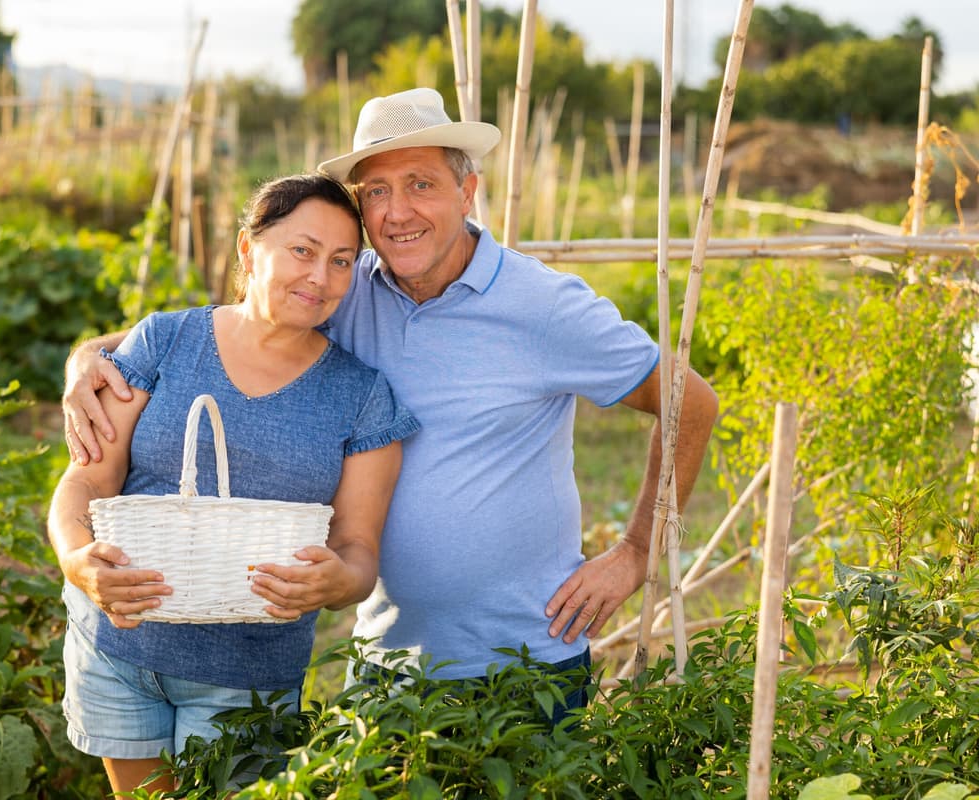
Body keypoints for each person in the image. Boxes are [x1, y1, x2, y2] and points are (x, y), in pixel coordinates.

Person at [62, 88, 718, 713]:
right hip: (386, 659)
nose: (397, 212)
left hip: (527, 658)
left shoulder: (544, 306)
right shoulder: (346, 288)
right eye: (376, 191)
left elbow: (690, 402)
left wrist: (637, 551)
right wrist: (90, 355)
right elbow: (231, 327)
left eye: (420, 184)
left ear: (467, 191)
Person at [47, 173, 419, 794]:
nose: (320, 277)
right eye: (302, 250)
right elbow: (85, 481)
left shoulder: (361, 397)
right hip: (119, 649)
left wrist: (337, 583)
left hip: (246, 678)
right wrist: (76, 560)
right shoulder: (166, 341)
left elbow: (358, 551)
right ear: (249, 249)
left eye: (341, 261)